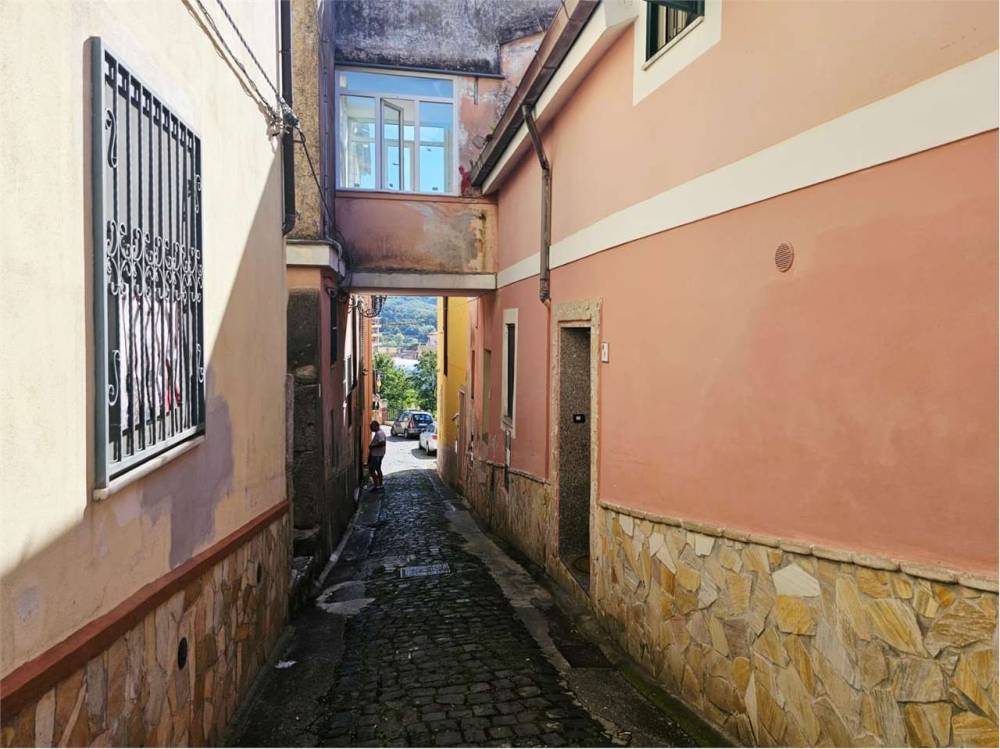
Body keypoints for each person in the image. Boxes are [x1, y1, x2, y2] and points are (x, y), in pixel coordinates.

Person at [368, 420, 386, 491]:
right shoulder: (379, 433)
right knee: (377, 469)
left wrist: (373, 446)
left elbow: (382, 443)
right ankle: (379, 485)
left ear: (375, 426)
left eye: (371, 427)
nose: (371, 429)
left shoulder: (379, 433)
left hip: (377, 455)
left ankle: (376, 485)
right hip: (377, 454)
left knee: (372, 470)